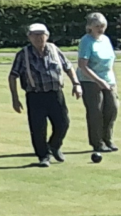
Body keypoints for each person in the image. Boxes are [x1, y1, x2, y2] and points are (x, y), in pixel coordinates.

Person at [9, 22, 78, 164]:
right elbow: (12, 76)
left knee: (63, 124)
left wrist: (76, 84)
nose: (38, 38)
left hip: (55, 93)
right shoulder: (23, 54)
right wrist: (15, 99)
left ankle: (54, 145)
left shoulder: (54, 49)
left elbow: (68, 67)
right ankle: (43, 156)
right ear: (29, 37)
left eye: (41, 35)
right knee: (38, 128)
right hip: (35, 96)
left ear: (47, 36)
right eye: (35, 35)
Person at [77, 12, 121, 157]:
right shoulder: (86, 41)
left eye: (102, 26)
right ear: (90, 27)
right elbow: (83, 65)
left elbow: (109, 62)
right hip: (89, 80)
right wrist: (98, 81)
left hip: (108, 79)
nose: (100, 29)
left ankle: (108, 139)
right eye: (97, 26)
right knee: (96, 111)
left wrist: (110, 80)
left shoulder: (106, 39)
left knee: (112, 109)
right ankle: (98, 143)